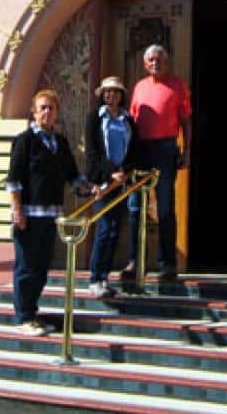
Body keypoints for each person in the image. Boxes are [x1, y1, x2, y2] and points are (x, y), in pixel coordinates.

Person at [6, 89, 91, 336]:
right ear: (34, 112)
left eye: (51, 108)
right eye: (42, 107)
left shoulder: (60, 143)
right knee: (26, 267)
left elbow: (73, 176)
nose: (47, 112)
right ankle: (23, 317)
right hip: (29, 216)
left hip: (51, 215)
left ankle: (32, 313)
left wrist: (91, 188)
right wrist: (17, 210)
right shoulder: (25, 141)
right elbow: (14, 180)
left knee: (42, 267)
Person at [125, 44, 192, 283]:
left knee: (165, 207)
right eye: (151, 60)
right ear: (145, 64)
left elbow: (185, 122)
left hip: (166, 148)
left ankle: (167, 264)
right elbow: (131, 121)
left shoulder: (177, 86)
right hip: (141, 149)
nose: (155, 63)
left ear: (167, 62)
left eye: (159, 59)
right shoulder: (139, 87)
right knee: (135, 207)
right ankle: (134, 261)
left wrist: (186, 151)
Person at [85, 76, 135, 298]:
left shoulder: (127, 119)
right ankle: (95, 278)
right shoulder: (94, 118)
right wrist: (108, 172)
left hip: (122, 180)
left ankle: (104, 277)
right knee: (104, 229)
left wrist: (125, 170)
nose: (111, 95)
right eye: (107, 92)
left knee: (115, 230)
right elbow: (93, 152)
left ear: (121, 95)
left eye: (115, 92)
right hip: (104, 181)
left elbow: (134, 147)